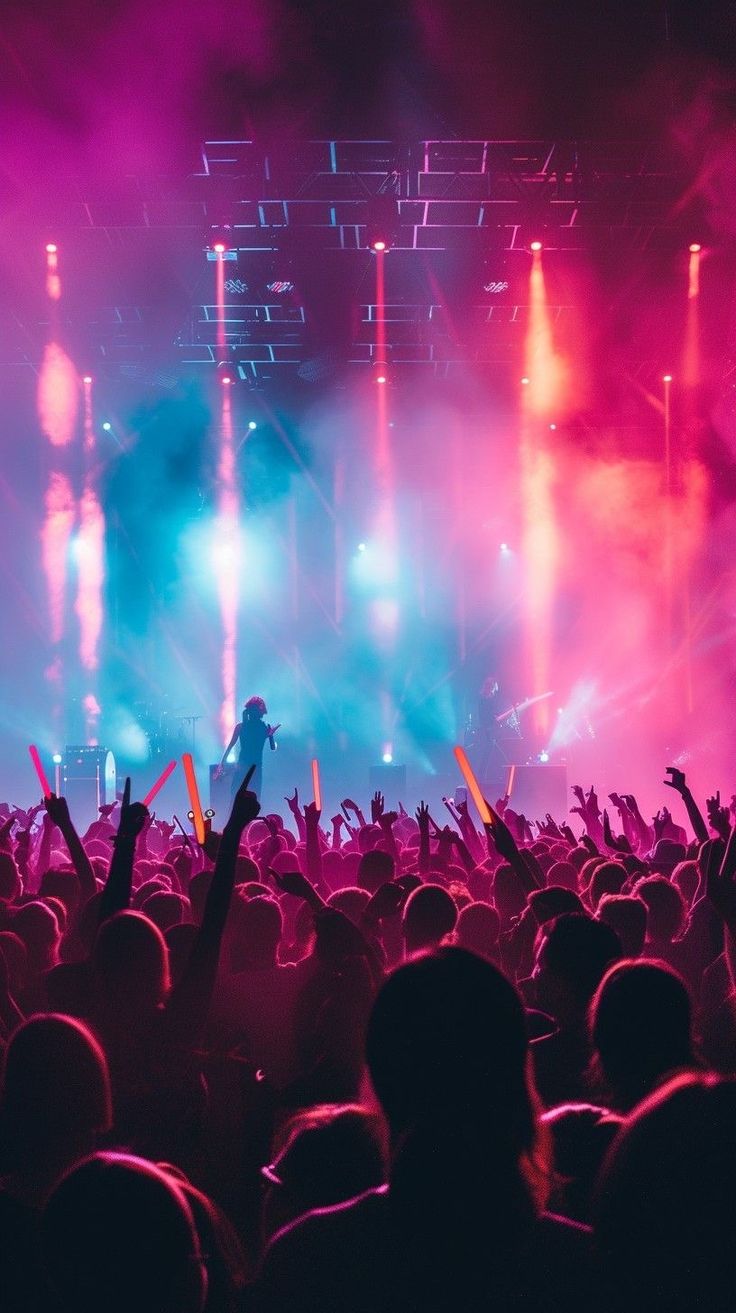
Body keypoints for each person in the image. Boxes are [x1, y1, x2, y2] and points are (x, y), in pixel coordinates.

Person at [216, 697, 280, 800]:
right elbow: (273, 748)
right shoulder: (262, 727)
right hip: (253, 767)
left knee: (236, 795)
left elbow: (230, 746)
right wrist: (270, 735)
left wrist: (221, 765)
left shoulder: (243, 727)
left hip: (245, 766)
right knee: (253, 797)